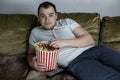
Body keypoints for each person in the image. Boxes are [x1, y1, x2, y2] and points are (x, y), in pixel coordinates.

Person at [27, 1, 120, 80]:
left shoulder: (67, 22)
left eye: (50, 15)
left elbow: (90, 40)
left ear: (56, 16)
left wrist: (64, 42)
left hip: (96, 50)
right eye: (43, 16)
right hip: (76, 62)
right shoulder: (35, 32)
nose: (47, 19)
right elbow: (30, 54)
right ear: (38, 18)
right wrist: (32, 62)